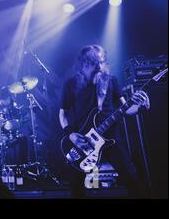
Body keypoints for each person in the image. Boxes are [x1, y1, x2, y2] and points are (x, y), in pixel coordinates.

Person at [59, 45, 150, 197]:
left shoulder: (111, 80)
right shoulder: (71, 84)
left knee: (132, 179)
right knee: (76, 188)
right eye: (95, 62)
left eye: (102, 62)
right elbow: (62, 114)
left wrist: (142, 107)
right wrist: (71, 135)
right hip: (84, 142)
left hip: (111, 139)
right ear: (84, 63)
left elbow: (125, 109)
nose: (100, 66)